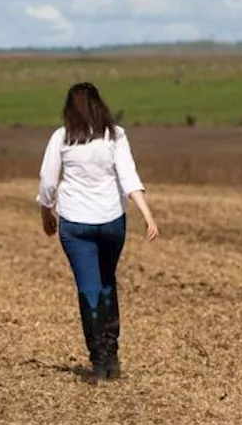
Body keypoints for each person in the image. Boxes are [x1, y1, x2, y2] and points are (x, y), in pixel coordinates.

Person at [36, 82, 159, 383]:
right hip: (112, 221)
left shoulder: (62, 137)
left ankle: (99, 363)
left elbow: (48, 182)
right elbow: (129, 176)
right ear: (99, 105)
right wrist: (147, 213)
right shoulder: (115, 135)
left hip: (76, 224)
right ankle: (112, 358)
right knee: (106, 284)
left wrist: (46, 213)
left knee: (89, 288)